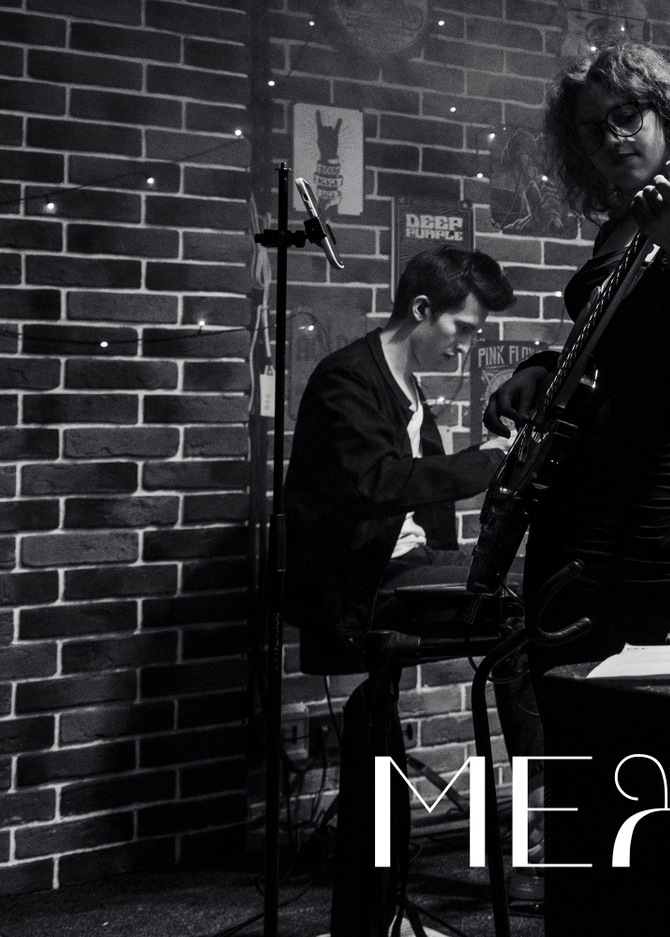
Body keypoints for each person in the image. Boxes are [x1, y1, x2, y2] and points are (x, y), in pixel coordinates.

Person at [282, 245, 536, 931]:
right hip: (362, 583)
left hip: (404, 566)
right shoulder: (347, 380)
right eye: (463, 328)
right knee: (524, 600)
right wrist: (483, 464)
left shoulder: (406, 386)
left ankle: (536, 801)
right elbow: (378, 484)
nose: (467, 345)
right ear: (422, 309)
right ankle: (540, 803)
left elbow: (423, 506)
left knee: (531, 589)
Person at [485, 40, 670, 672]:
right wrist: (544, 368)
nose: (612, 137)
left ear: (667, 116)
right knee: (561, 687)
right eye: (592, 129)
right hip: (584, 497)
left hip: (647, 506)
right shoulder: (619, 229)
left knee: (610, 699)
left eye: (628, 115)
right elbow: (623, 348)